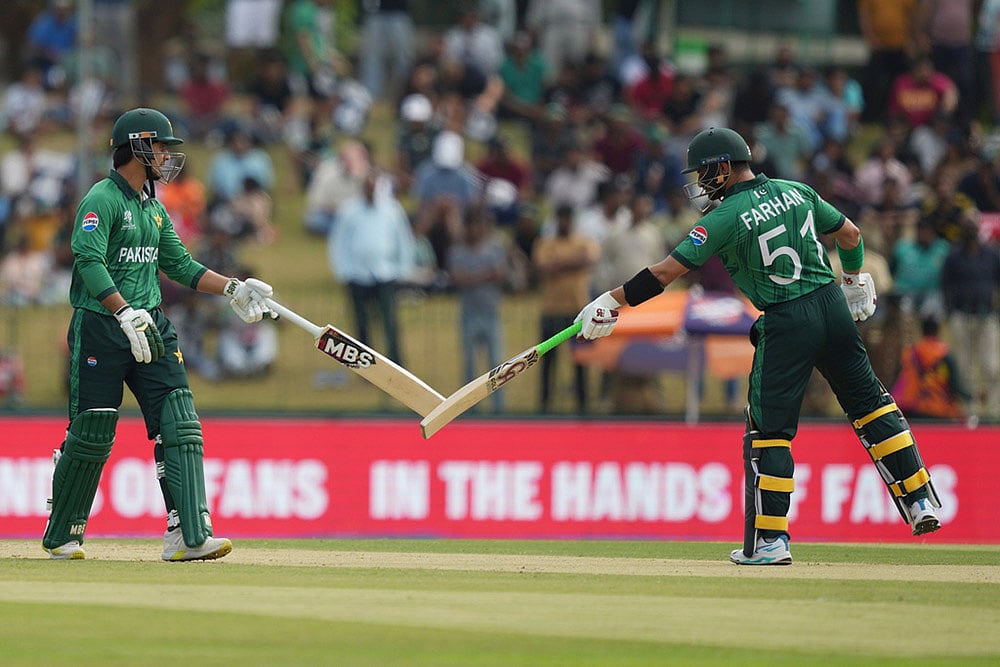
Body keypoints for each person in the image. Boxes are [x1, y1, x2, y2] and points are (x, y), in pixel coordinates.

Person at [575, 127, 942, 566]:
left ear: (723, 168)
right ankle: (919, 500)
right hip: (832, 307)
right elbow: (851, 234)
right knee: (872, 407)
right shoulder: (797, 190)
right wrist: (854, 279)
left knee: (769, 432)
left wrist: (610, 302)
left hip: (787, 320)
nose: (698, 184)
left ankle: (770, 541)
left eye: (703, 173)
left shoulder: (723, 217)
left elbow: (664, 273)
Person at [42, 107, 277, 561]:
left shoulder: (153, 208)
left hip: (151, 325)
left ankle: (187, 535)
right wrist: (122, 311)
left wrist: (232, 287)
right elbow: (88, 263)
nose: (168, 155)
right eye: (161, 146)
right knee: (92, 431)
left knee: (180, 422)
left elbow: (181, 266)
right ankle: (63, 533)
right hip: (101, 328)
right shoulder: (101, 199)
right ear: (137, 147)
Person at [329, 168, 415, 364]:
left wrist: (402, 270)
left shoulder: (391, 209)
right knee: (361, 324)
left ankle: (396, 363)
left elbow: (403, 240)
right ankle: (363, 366)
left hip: (385, 274)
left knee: (389, 322)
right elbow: (339, 243)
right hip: (357, 275)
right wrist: (343, 271)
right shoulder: (349, 210)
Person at [447, 207, 509, 413]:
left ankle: (498, 409)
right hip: (469, 314)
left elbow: (499, 274)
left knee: (496, 365)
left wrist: (472, 277)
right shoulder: (458, 251)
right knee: (469, 365)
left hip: (491, 313)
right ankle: (470, 409)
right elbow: (458, 278)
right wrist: (484, 275)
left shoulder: (494, 248)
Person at [891, 317, 971, 420]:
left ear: (922, 331)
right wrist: (970, 397)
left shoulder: (910, 352)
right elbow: (955, 386)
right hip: (939, 411)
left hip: (913, 410)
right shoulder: (945, 354)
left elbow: (899, 381)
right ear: (938, 331)